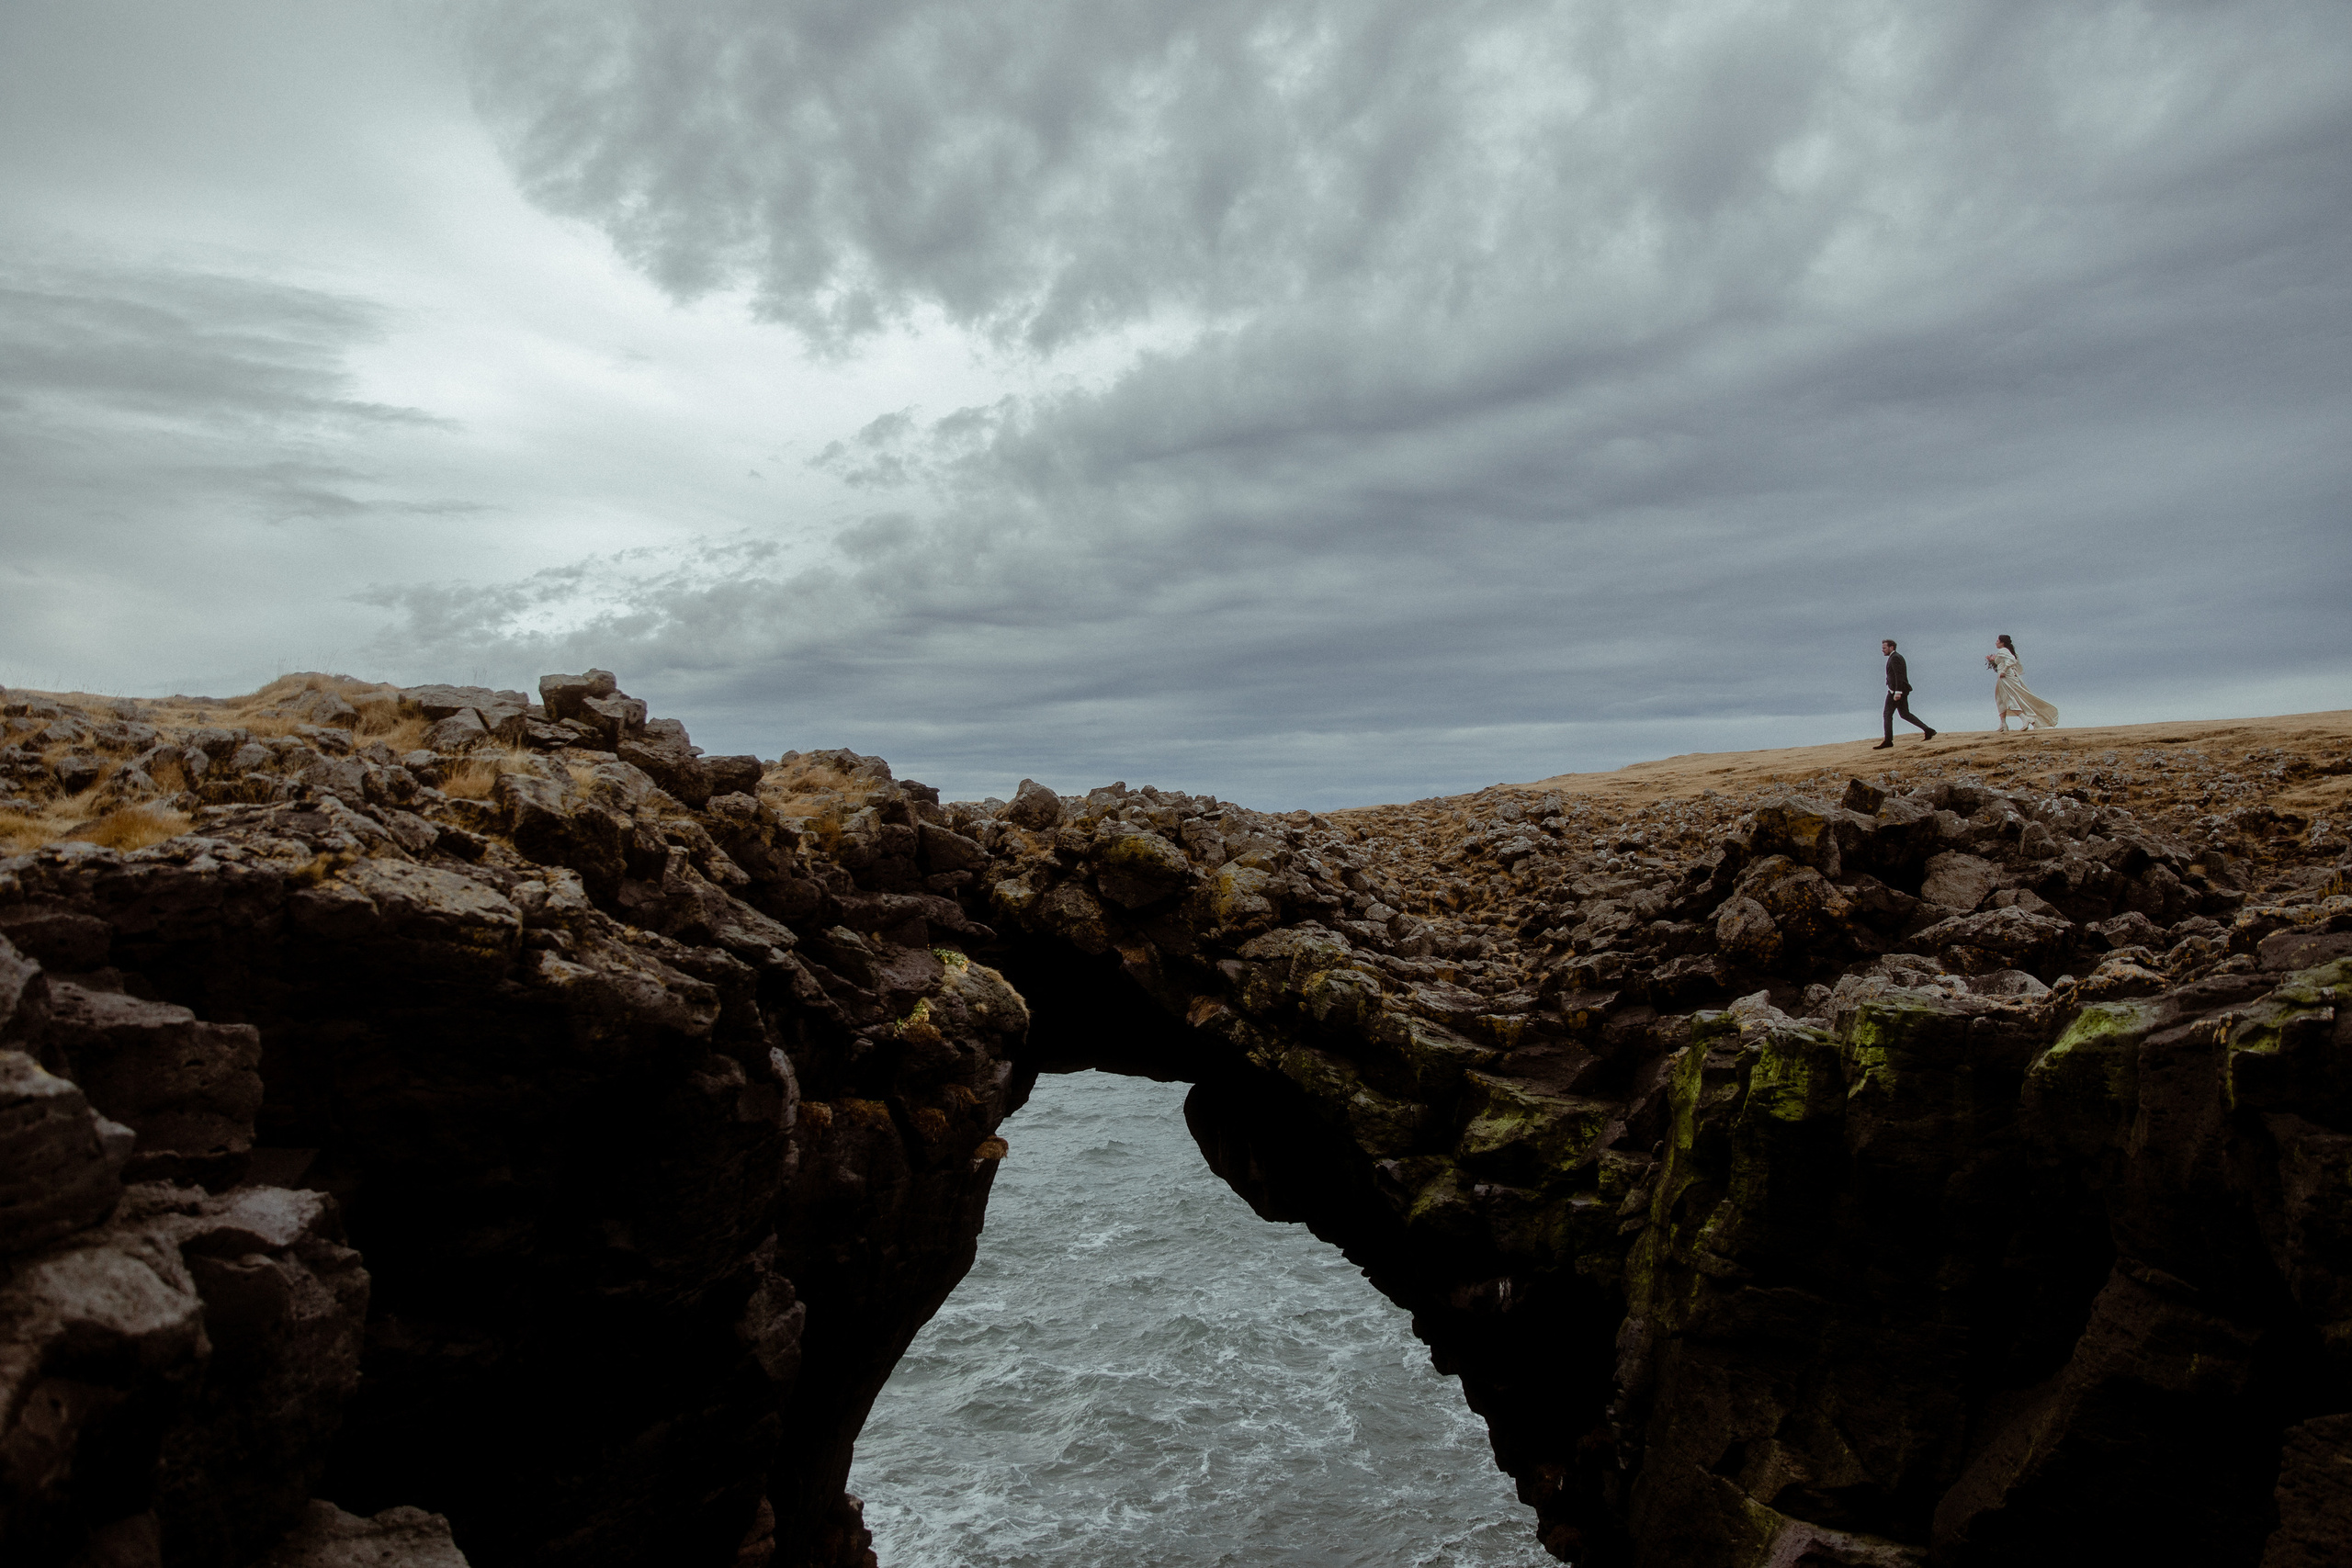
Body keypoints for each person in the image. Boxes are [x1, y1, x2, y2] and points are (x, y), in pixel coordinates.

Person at [1987, 634, 2059, 731]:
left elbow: (2012, 660)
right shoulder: (2004, 651)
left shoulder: (2003, 650)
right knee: (2000, 699)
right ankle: (2003, 724)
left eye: (1997, 641)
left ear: (2002, 643)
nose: (1996, 642)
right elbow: (2007, 660)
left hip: (2005, 677)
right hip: (2003, 678)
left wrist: (2004, 670)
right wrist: (1993, 660)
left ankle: (2025, 718)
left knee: (2009, 699)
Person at [1876, 638, 1936, 749]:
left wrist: (1897, 692)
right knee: (1904, 714)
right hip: (1896, 691)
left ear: (1891, 647)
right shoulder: (1894, 657)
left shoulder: (1895, 658)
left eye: (1884, 648)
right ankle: (1928, 730)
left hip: (1896, 692)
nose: (1882, 650)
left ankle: (1888, 741)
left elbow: (1899, 675)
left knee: (1887, 715)